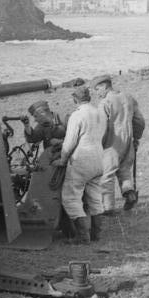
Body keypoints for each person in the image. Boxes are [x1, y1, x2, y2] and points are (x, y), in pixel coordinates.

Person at [52, 85, 106, 244]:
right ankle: (96, 236)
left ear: (75, 99)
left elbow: (69, 142)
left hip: (82, 160)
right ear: (89, 97)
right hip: (99, 158)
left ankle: (83, 237)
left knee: (70, 197)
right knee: (95, 199)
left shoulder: (77, 115)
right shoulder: (99, 113)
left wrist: (62, 159)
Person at [92, 74, 145, 213]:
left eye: (97, 90)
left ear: (104, 86)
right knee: (125, 171)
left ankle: (108, 207)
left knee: (107, 175)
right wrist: (136, 139)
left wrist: (98, 145)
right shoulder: (128, 97)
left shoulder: (105, 103)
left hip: (112, 144)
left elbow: (101, 127)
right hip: (128, 142)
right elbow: (139, 121)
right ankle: (130, 194)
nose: (97, 94)